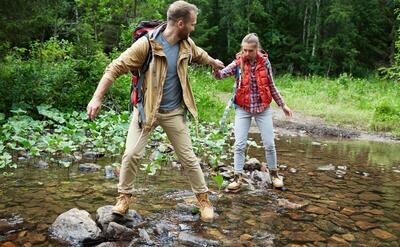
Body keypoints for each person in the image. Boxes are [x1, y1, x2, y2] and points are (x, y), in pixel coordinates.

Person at [86, 0, 224, 222]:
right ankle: (123, 198)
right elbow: (115, 67)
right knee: (131, 154)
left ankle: (203, 199)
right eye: (192, 24)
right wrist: (96, 97)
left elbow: (199, 54)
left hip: (173, 112)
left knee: (188, 158)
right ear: (181, 23)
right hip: (147, 111)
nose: (193, 28)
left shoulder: (186, 43)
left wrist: (213, 62)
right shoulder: (146, 45)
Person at [213, 33, 292, 191]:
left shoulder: (265, 63)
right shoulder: (238, 62)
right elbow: (221, 75)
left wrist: (282, 105)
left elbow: (271, 85)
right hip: (243, 109)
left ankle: (274, 175)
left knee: (269, 144)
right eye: (244, 50)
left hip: (263, 109)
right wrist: (215, 67)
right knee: (239, 144)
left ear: (257, 50)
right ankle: (237, 177)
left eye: (250, 50)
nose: (246, 54)